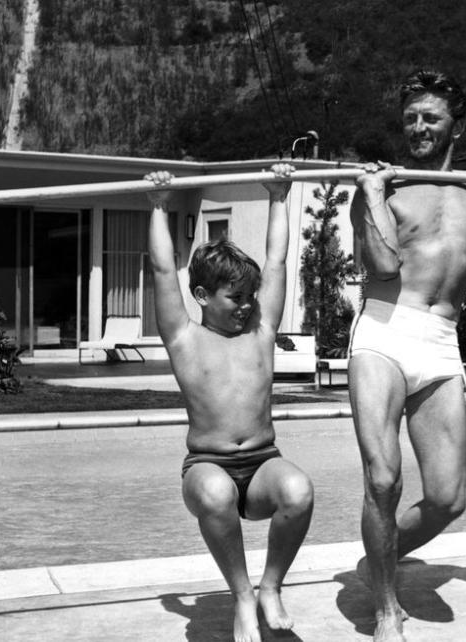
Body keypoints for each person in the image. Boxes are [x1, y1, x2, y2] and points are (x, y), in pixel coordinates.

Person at [349, 69, 466, 642]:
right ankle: (386, 608)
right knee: (383, 481)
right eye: (409, 118)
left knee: (448, 499)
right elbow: (380, 266)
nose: (418, 127)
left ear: (456, 122)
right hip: (383, 330)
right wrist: (370, 197)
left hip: (438, 341)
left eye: (430, 117)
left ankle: (376, 559)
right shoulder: (390, 186)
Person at [145, 165, 315, 642]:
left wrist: (279, 196)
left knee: (299, 491)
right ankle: (242, 596)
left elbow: (278, 263)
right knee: (218, 495)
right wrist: (159, 205)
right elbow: (162, 268)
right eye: (233, 297)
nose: (245, 305)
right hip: (207, 466)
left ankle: (269, 587)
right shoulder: (184, 338)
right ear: (200, 296)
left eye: (249, 296)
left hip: (262, 463)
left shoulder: (261, 333)